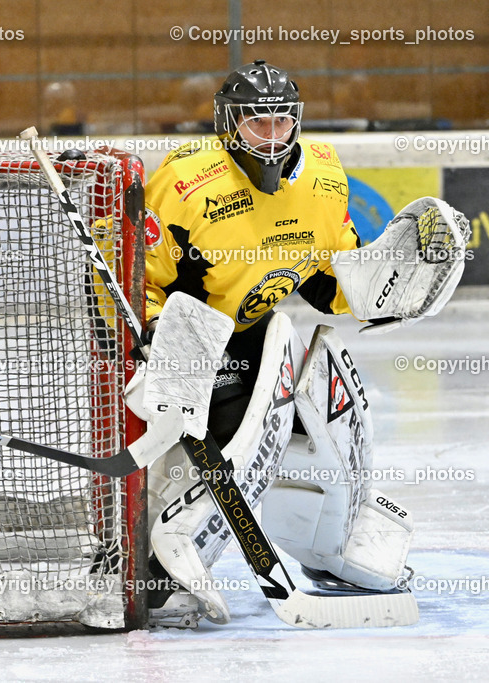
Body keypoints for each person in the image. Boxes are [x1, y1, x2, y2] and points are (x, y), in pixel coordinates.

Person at [128, 60, 463, 628]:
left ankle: (332, 548)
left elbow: (327, 285)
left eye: (283, 123)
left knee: (338, 408)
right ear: (229, 125)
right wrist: (161, 335)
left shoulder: (324, 179)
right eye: (258, 123)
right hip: (191, 343)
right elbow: (139, 280)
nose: (273, 136)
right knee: (243, 444)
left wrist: (379, 289)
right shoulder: (186, 182)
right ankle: (159, 570)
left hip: (258, 333)